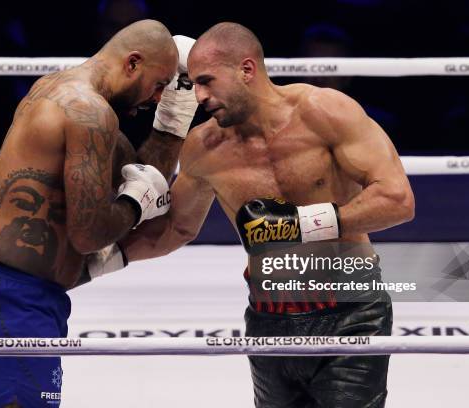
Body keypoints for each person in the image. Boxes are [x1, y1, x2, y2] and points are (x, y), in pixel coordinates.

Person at [112, 22, 415, 407]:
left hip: (351, 311)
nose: (199, 96)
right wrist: (92, 263)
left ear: (247, 70)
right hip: (268, 317)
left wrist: (299, 226)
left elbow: (398, 199)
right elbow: (174, 229)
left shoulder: (325, 112)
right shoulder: (204, 148)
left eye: (206, 81)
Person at [0, 20, 198, 407]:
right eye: (158, 85)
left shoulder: (67, 93)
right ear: (132, 63)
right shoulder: (88, 112)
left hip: (14, 293)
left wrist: (175, 114)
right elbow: (91, 232)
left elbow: (140, 175)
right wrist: (134, 205)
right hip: (13, 301)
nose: (155, 97)